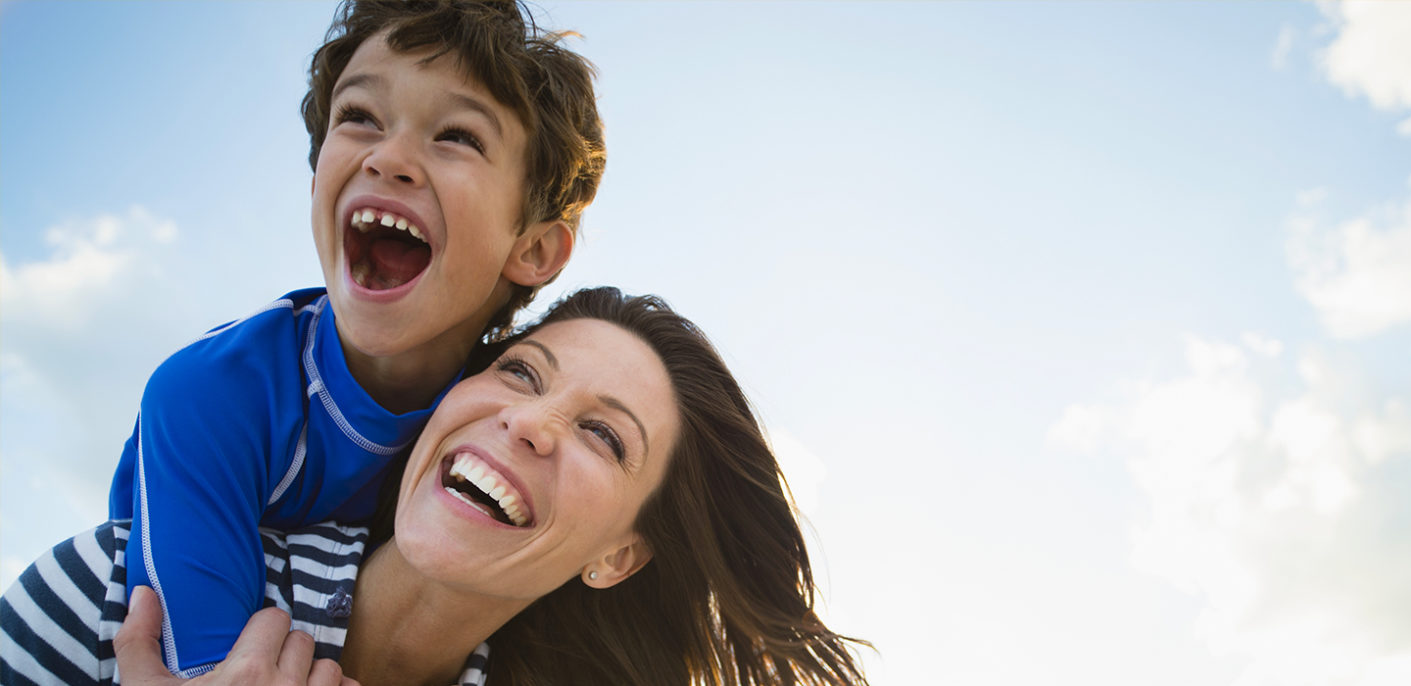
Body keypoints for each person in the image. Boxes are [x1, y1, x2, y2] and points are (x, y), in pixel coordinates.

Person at [3, 287, 870, 686]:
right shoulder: (124, 591)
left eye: (602, 434)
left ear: (617, 556)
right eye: (523, 373)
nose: (532, 422)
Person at [103, 0, 605, 678]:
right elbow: (216, 673)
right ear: (318, 182)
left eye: (457, 135)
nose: (388, 157)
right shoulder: (208, 396)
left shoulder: (507, 433)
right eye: (360, 118)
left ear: (536, 248)